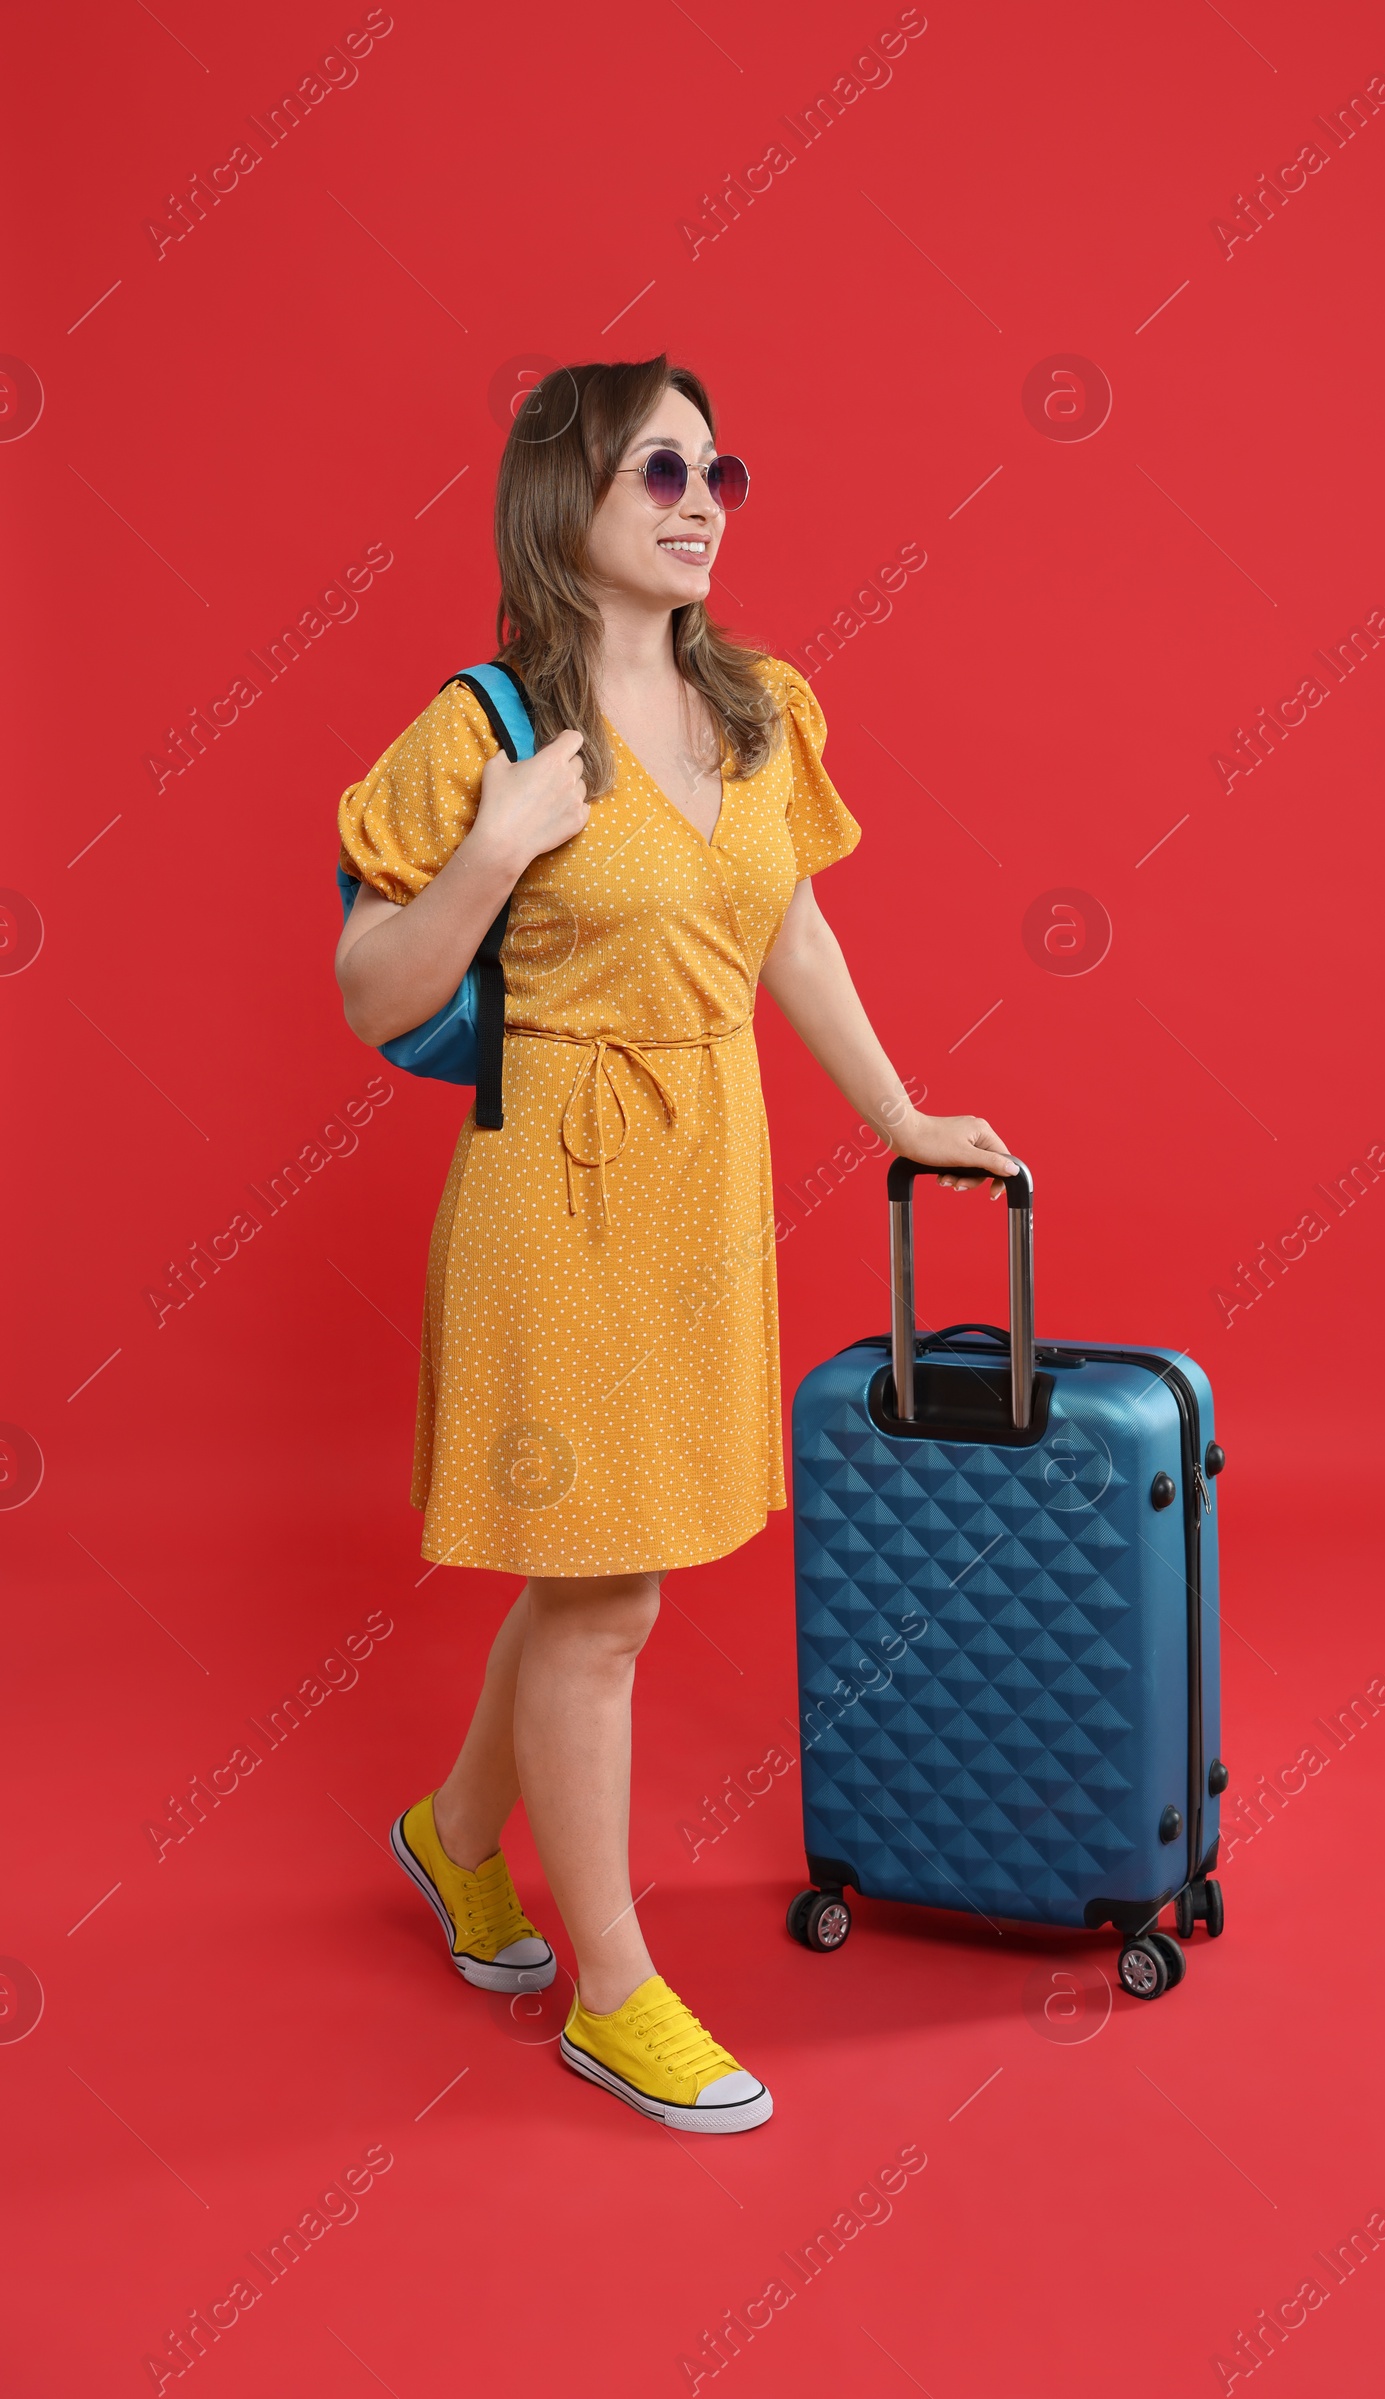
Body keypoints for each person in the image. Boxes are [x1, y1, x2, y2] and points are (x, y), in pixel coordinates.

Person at [333, 355, 1016, 2135]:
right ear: (563, 500)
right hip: (550, 1183)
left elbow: (791, 938)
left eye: (718, 465)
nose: (701, 495)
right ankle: (612, 1988)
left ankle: (452, 1836)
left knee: (597, 1561)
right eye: (658, 470)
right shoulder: (485, 733)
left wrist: (903, 1115)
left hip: (705, 1176)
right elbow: (369, 993)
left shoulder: (762, 705)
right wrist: (491, 854)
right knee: (613, 1586)